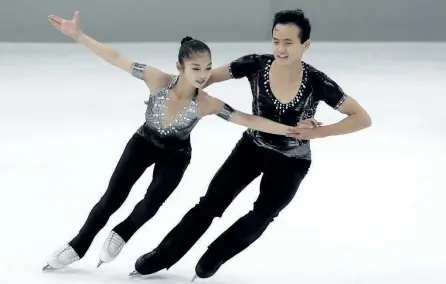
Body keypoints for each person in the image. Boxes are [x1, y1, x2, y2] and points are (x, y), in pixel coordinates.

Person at [42, 11, 319, 271]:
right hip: (143, 143)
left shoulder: (207, 102)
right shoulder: (157, 79)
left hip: (176, 155)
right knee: (112, 198)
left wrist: (291, 130)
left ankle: (122, 232)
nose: (203, 75)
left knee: (151, 203)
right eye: (196, 68)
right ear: (180, 67)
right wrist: (80, 36)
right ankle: (78, 245)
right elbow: (116, 57)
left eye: (208, 68)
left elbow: (248, 119)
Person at [131, 8, 372, 280]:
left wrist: (320, 132)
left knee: (263, 214)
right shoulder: (256, 64)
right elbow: (201, 77)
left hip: (292, 161)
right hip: (252, 147)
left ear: (306, 45)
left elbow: (362, 118)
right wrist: (171, 95)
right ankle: (163, 255)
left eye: (288, 42)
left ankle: (214, 256)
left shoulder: (317, 82)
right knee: (210, 202)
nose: (280, 48)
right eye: (276, 40)